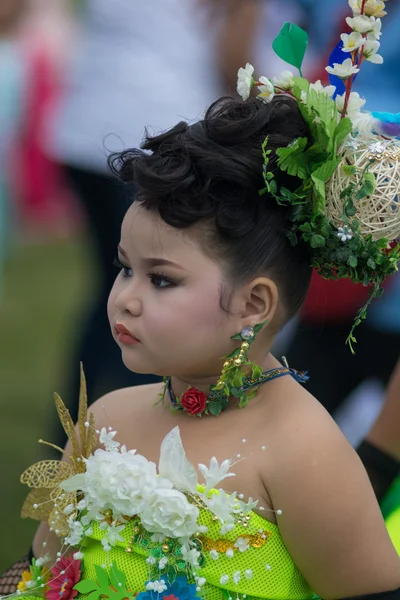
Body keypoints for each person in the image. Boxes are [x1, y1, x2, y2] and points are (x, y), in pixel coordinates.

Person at [2, 2, 400, 599]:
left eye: (160, 279)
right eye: (123, 269)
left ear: (254, 304)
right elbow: (40, 577)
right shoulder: (105, 421)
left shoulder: (305, 452)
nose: (125, 300)